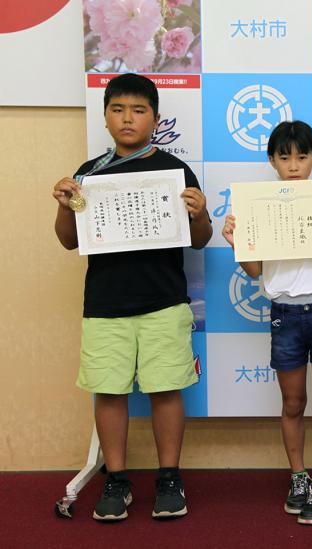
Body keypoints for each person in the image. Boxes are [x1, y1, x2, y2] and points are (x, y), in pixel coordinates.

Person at [52, 73, 213, 521]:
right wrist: (64, 204)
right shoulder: (89, 174)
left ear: (155, 119)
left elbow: (200, 240)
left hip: (163, 301)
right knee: (109, 392)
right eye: (118, 109)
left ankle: (169, 478)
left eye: (139, 110)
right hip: (105, 305)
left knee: (165, 391)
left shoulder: (175, 171)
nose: (128, 118)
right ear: (105, 117)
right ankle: (117, 480)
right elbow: (69, 241)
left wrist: (199, 214)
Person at [222, 121, 312, 526]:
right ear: (272, 161)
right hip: (285, 314)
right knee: (294, 403)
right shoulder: (258, 205)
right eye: (285, 157)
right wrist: (237, 242)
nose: (294, 165)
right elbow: (253, 270)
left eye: (302, 156)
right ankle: (298, 477)